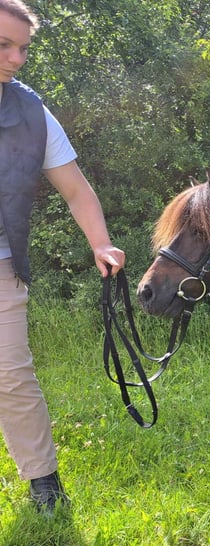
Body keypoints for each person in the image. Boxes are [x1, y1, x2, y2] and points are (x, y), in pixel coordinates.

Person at [0, 0, 125, 514]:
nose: (17, 58)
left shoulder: (31, 112)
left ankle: (44, 484)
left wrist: (100, 242)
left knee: (12, 374)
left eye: (23, 48)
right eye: (5, 45)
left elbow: (75, 189)